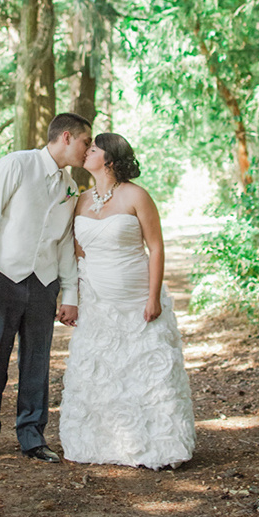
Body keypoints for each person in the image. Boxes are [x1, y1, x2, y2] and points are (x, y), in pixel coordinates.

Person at [59, 133, 195, 470]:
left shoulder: (137, 195)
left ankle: (159, 445)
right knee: (100, 370)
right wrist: (74, 296)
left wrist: (153, 296)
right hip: (96, 301)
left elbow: (156, 247)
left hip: (136, 298)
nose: (85, 152)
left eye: (93, 149)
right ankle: (103, 442)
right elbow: (77, 252)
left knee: (145, 370)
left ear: (109, 159)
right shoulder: (81, 199)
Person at [0, 112, 92, 463]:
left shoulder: (71, 187)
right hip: (1, 279)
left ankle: (32, 437)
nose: (88, 150)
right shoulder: (15, 165)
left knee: (37, 364)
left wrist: (69, 294)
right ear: (66, 137)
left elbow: (65, 243)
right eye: (85, 142)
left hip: (44, 284)